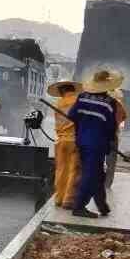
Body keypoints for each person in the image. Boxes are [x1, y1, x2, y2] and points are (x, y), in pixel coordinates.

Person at [69, 69, 122, 219]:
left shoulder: (82, 97)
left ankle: (102, 205)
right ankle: (79, 206)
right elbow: (111, 126)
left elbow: (72, 115)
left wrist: (85, 123)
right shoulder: (110, 103)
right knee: (91, 174)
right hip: (97, 144)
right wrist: (110, 141)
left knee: (97, 173)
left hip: (82, 141)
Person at [48, 80, 81, 209]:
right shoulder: (78, 102)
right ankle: (68, 199)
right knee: (73, 170)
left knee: (61, 170)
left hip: (61, 142)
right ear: (72, 90)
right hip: (75, 141)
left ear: (62, 91)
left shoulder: (59, 103)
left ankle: (58, 198)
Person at [105, 86, 128, 189]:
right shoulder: (119, 105)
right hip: (113, 135)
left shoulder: (103, 104)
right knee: (111, 161)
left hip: (101, 136)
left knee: (98, 159)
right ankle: (108, 183)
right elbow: (124, 116)